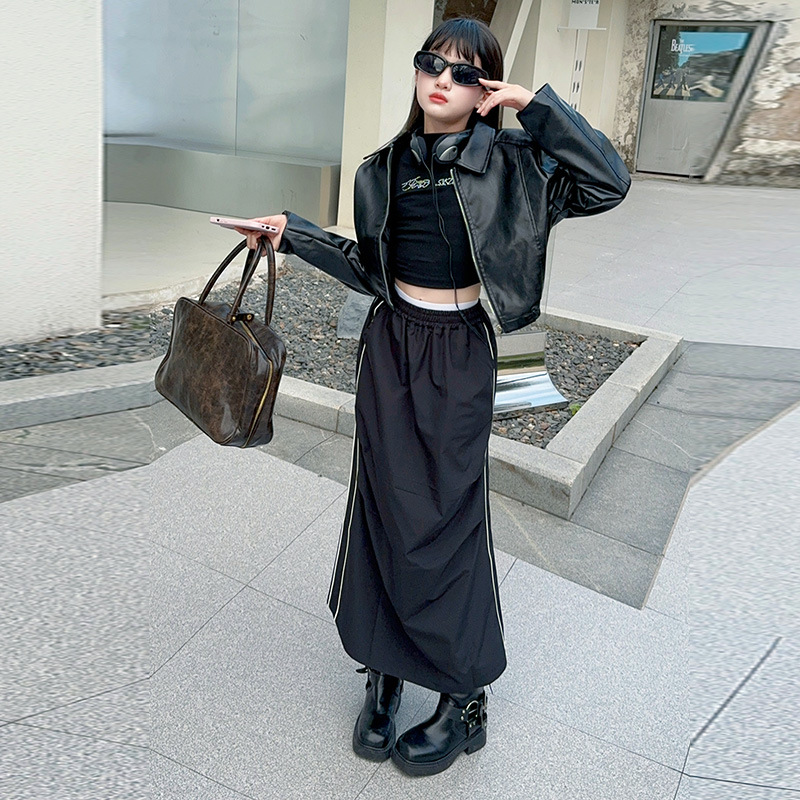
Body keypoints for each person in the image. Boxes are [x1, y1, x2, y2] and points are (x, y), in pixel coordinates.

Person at [236, 16, 630, 777]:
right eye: (432, 64)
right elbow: (368, 266)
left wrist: (535, 107)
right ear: (416, 73)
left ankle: (463, 695)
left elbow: (608, 182)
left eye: (466, 72)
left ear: (486, 89)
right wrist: (292, 234)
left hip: (460, 353)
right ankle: (383, 672)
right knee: (381, 503)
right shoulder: (381, 168)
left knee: (446, 517)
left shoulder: (518, 164)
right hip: (390, 345)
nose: (444, 80)